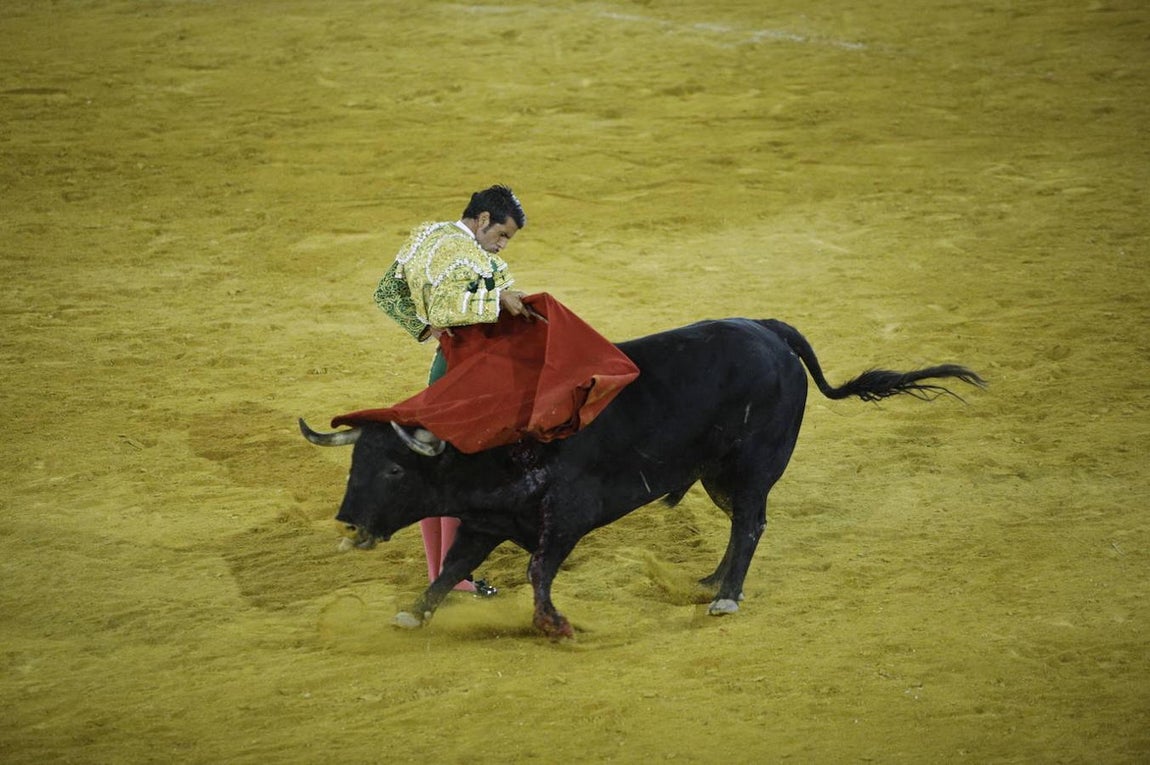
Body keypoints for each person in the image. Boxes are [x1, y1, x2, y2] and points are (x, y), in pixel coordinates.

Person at [373, 184, 532, 597]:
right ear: (483, 219)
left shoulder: (428, 235)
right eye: (501, 235)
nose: (501, 245)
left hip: (444, 367)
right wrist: (498, 300)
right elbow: (447, 307)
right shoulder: (461, 252)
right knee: (463, 475)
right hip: (469, 375)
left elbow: (387, 293)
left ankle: (442, 575)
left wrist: (423, 327)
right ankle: (452, 577)